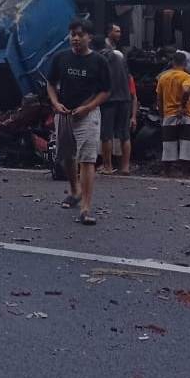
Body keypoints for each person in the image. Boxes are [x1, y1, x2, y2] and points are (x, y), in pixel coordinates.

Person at [47, 18, 111, 225]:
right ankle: (74, 191)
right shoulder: (60, 58)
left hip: (88, 114)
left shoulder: (99, 61)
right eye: (72, 34)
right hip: (65, 113)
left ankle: (86, 207)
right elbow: (50, 83)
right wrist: (56, 103)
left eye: (80, 34)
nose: (75, 38)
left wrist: (88, 108)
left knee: (87, 159)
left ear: (89, 38)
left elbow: (105, 91)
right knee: (67, 155)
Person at [156, 50, 190, 178]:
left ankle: (167, 171)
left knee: (168, 144)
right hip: (185, 114)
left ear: (173, 63)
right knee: (187, 144)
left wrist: (162, 115)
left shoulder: (163, 77)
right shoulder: (187, 77)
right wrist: (181, 106)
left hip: (169, 114)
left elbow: (159, 99)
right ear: (185, 63)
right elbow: (186, 91)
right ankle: (185, 172)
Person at [99, 34, 133, 176]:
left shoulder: (100, 58)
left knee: (106, 134)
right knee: (124, 134)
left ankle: (108, 166)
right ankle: (125, 167)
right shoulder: (121, 59)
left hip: (109, 101)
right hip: (125, 99)